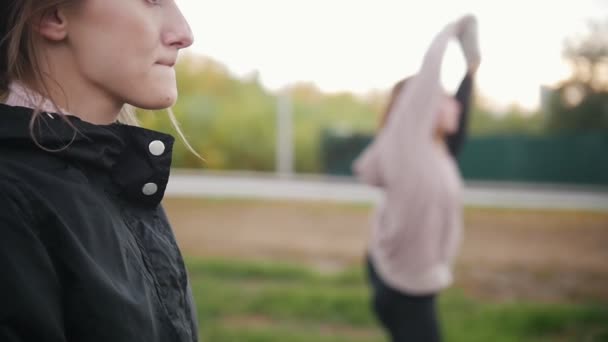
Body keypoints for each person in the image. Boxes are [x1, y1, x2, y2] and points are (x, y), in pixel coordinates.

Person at [0, 1, 198, 341]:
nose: (184, 34)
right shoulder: (10, 202)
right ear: (52, 16)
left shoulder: (121, 175)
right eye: (151, 0)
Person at [353, 15, 481, 342]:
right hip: (401, 286)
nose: (453, 103)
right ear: (420, 107)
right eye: (443, 96)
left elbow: (462, 112)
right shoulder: (409, 143)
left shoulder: (438, 152)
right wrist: (451, 31)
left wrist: (471, 70)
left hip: (417, 282)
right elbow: (427, 78)